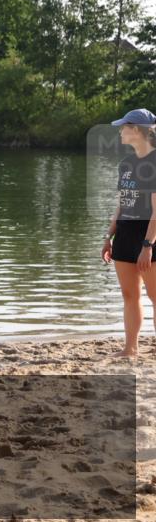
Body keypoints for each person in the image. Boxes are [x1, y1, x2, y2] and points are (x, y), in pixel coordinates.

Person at [102, 108, 156, 357]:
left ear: (136, 130)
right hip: (124, 236)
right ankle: (130, 348)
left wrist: (148, 245)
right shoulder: (125, 164)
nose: (120, 131)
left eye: (124, 127)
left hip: (149, 237)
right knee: (129, 295)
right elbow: (122, 204)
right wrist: (108, 236)